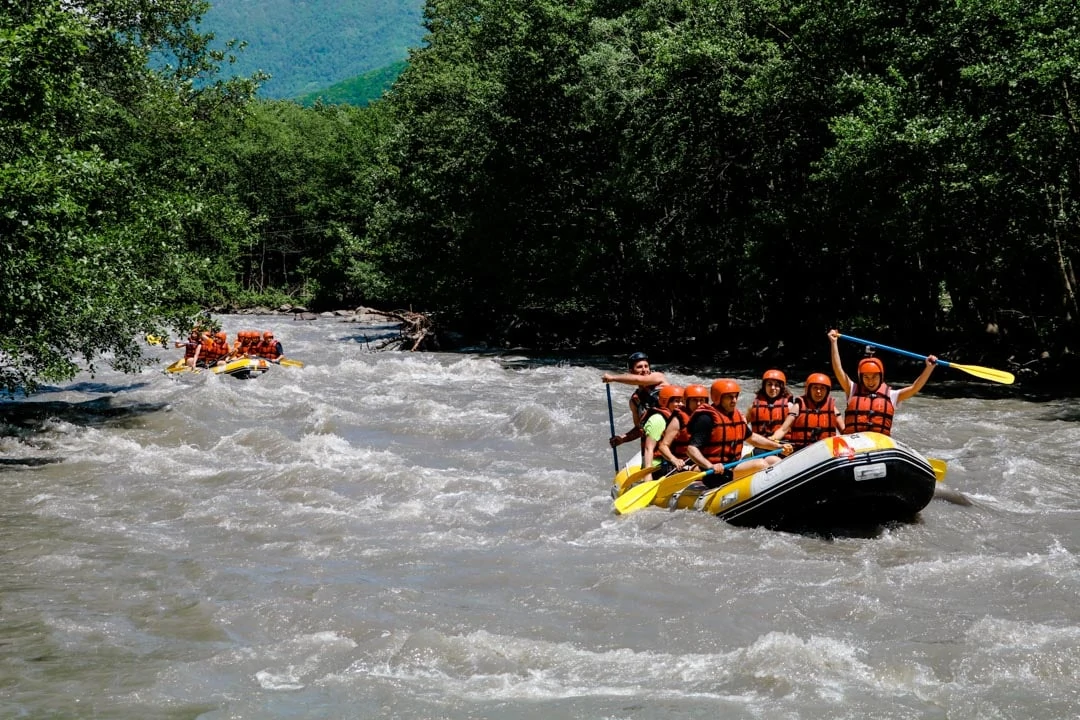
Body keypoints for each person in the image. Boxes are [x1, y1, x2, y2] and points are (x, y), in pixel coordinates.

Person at [685, 379, 792, 487]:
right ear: (718, 398)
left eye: (735, 396)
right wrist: (710, 466)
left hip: (733, 466)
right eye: (729, 397)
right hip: (717, 474)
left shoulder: (735, 416)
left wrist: (779, 446)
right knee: (760, 464)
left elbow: (752, 438)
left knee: (774, 460)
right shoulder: (706, 419)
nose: (734, 400)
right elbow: (691, 449)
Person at [828, 329, 937, 436]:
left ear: (881, 377)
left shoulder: (892, 395)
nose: (870, 381)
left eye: (874, 377)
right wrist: (834, 343)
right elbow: (838, 369)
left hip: (879, 443)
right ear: (861, 378)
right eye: (866, 377)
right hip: (855, 442)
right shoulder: (852, 389)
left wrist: (929, 368)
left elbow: (914, 388)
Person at [603, 351, 668, 451]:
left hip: (672, 437)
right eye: (639, 367)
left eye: (646, 366)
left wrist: (613, 378)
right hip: (654, 446)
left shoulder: (659, 378)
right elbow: (640, 429)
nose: (644, 370)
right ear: (631, 371)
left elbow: (638, 380)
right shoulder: (634, 401)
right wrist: (623, 439)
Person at [773, 372, 844, 450]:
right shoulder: (798, 406)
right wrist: (771, 440)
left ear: (827, 391)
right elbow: (783, 430)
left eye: (822, 388)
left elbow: (844, 431)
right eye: (815, 388)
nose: (818, 391)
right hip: (802, 450)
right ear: (809, 389)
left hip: (826, 450)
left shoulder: (832, 408)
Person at [657, 382, 708, 474]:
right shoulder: (678, 419)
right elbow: (663, 446)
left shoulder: (708, 417)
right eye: (694, 400)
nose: (699, 403)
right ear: (686, 402)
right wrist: (674, 460)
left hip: (701, 462)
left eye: (702, 400)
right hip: (680, 465)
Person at [636, 385, 684, 479]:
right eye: (677, 401)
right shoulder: (658, 419)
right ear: (665, 402)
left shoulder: (677, 418)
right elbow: (648, 448)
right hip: (657, 467)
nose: (681, 404)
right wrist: (647, 474)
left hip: (671, 463)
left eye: (683, 401)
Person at [746, 369, 794, 451]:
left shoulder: (790, 407)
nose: (773, 388)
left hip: (784, 446)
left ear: (781, 387)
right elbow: (741, 426)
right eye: (769, 384)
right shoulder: (753, 407)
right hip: (762, 446)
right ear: (764, 386)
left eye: (776, 385)